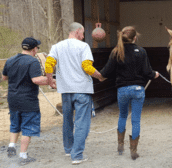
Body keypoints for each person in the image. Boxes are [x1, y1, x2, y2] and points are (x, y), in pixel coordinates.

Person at [45, 22, 104, 165]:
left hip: (65, 90)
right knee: (81, 122)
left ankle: (68, 149)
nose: (83, 36)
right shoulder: (83, 46)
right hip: (82, 89)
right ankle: (77, 155)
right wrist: (100, 76)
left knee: (67, 121)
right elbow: (87, 67)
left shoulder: (56, 46)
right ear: (77, 31)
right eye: (82, 33)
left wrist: (50, 80)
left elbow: (48, 64)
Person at [99, 26, 159, 160]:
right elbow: (147, 72)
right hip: (138, 89)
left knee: (122, 116)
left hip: (123, 89)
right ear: (135, 38)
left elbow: (106, 72)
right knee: (136, 120)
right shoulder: (141, 51)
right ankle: (134, 150)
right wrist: (155, 74)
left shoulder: (116, 51)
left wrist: (98, 76)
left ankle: (120, 145)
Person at [2, 37, 54, 166]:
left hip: (13, 98)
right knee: (27, 127)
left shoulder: (10, 60)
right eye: (37, 48)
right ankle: (23, 156)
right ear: (34, 49)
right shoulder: (33, 61)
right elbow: (36, 80)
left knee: (15, 123)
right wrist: (50, 81)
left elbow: (4, 77)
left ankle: (12, 146)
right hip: (28, 100)